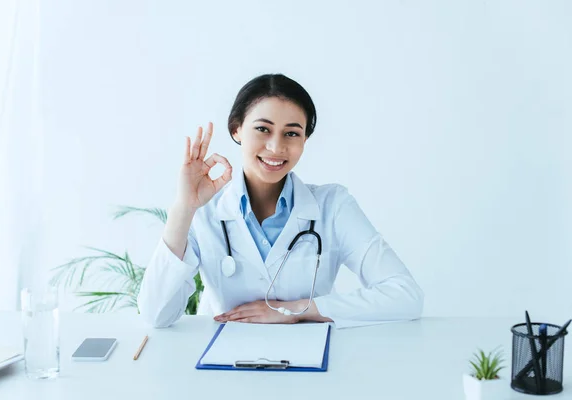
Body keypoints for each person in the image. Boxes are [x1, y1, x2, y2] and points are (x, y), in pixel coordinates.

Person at [137, 74, 423, 329]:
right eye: (263, 129)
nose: (276, 147)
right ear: (236, 129)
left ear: (305, 139)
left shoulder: (333, 206)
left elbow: (405, 296)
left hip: (311, 365)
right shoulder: (204, 211)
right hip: (227, 364)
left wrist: (298, 310)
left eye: (291, 133)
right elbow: (155, 315)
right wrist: (184, 207)